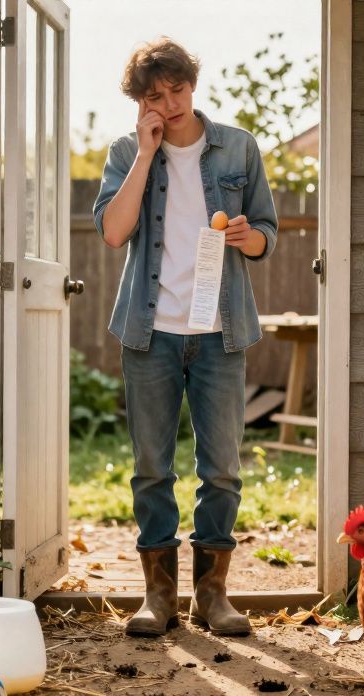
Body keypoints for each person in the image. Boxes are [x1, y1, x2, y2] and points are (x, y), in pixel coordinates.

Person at [93, 38, 278, 637]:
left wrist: (248, 236)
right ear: (140, 102)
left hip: (220, 331)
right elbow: (114, 233)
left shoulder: (237, 148)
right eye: (154, 96)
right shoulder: (126, 152)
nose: (169, 104)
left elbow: (267, 235)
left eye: (176, 90)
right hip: (150, 333)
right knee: (151, 468)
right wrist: (147, 155)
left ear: (192, 85)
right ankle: (158, 597)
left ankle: (212, 595)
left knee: (221, 467)